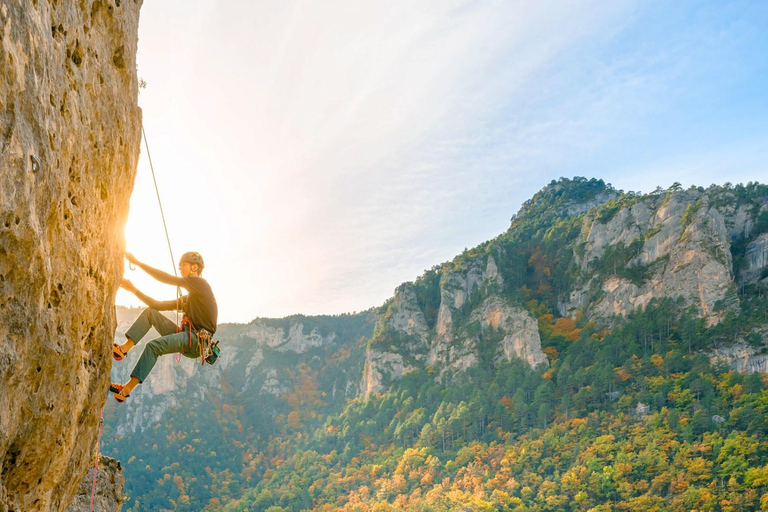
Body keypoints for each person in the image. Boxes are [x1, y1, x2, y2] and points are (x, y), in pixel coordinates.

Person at [110, 251, 218, 402]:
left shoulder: (200, 284)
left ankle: (126, 389)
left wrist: (138, 263)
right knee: (151, 313)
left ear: (194, 267)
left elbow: (166, 279)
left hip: (196, 340)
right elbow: (157, 305)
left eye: (183, 265)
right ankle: (124, 349)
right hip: (189, 337)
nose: (180, 268)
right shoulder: (192, 297)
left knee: (153, 347)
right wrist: (133, 289)